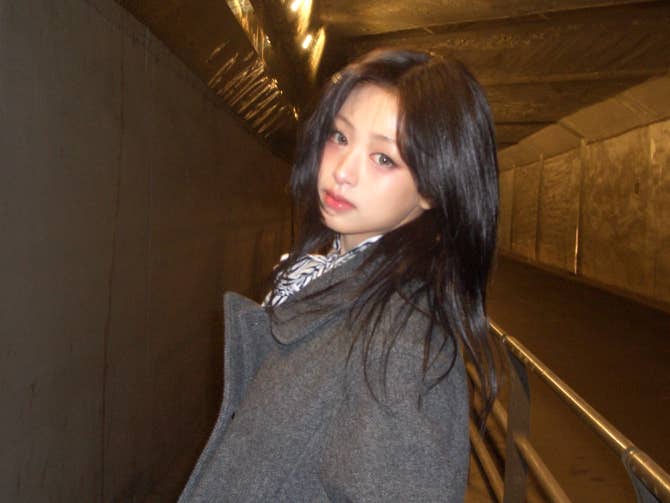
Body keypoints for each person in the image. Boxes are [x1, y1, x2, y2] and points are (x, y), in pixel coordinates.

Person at [179, 48, 499, 502]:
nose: (343, 171)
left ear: (433, 186)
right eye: (340, 136)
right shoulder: (321, 280)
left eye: (383, 158)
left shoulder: (403, 344)